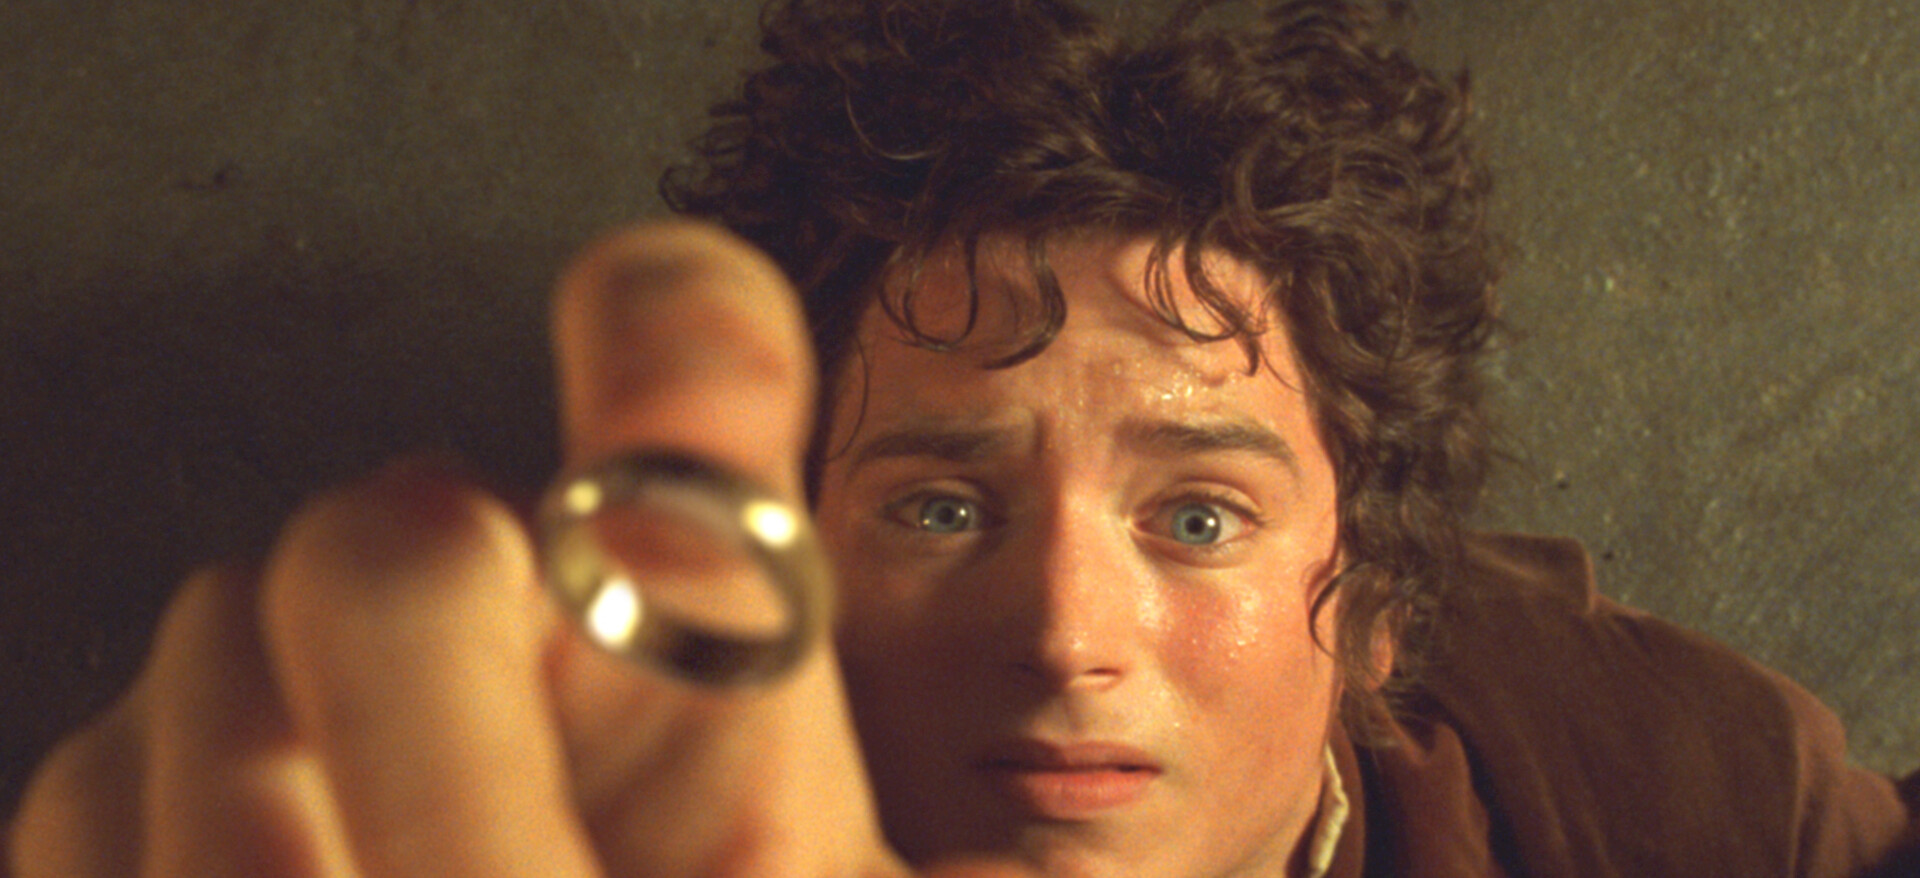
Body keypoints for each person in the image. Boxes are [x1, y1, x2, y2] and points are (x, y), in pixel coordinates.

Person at [9, 0, 1917, 875]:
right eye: (939, 502)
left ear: (1382, 608)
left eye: (1196, 516)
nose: (1065, 633)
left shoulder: (1684, 788)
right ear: (782, 564)